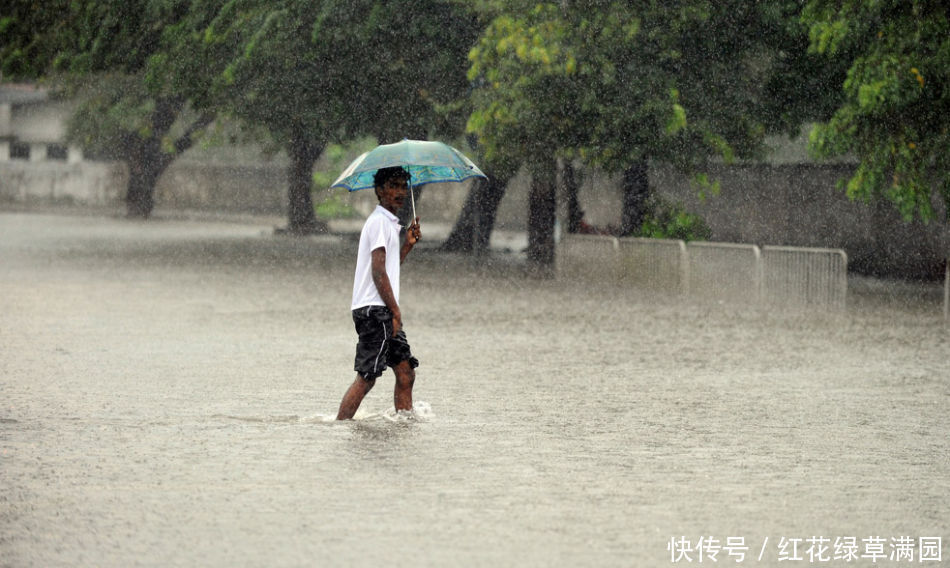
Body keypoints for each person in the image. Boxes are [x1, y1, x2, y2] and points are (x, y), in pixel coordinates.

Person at [336, 166, 422, 420]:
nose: (400, 192)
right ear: (380, 191)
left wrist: (407, 244)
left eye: (403, 186)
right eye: (393, 186)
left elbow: (390, 267)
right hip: (376, 311)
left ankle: (404, 427)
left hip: (381, 309)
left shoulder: (389, 224)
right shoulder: (379, 223)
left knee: (405, 372)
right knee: (367, 377)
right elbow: (378, 272)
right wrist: (395, 311)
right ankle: (339, 427)